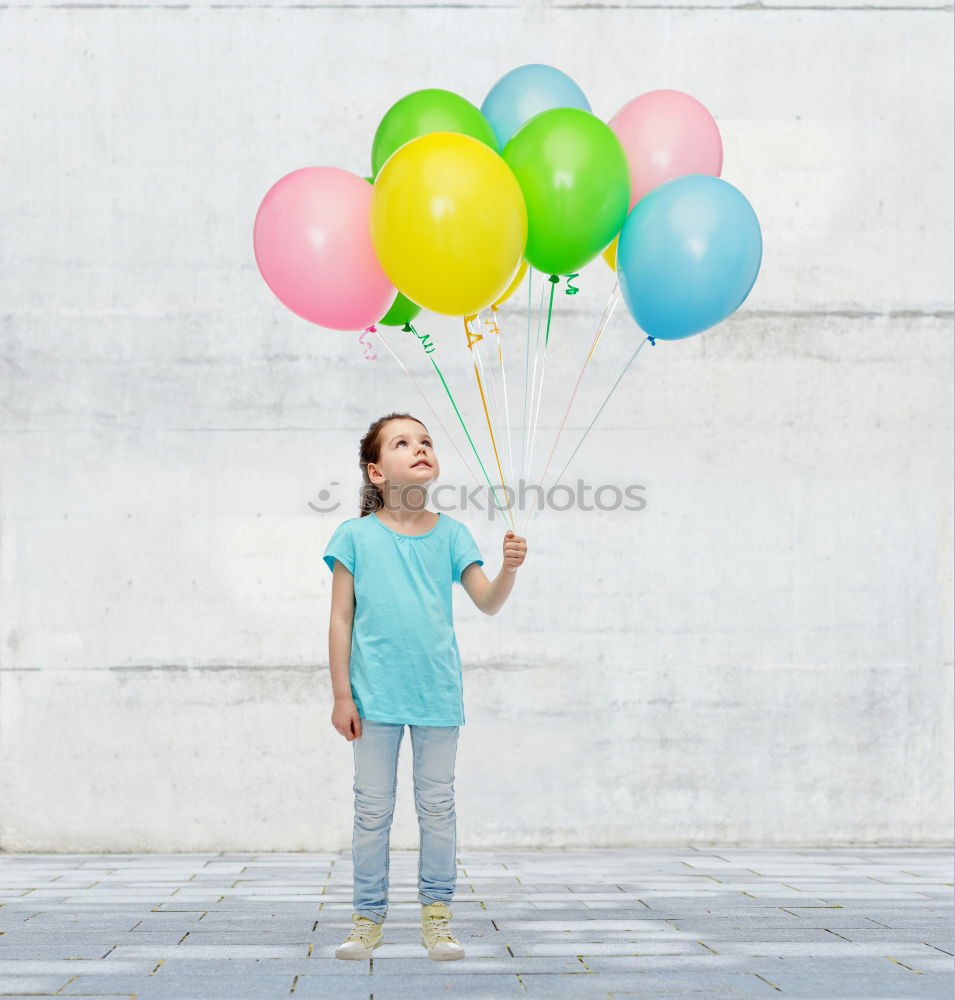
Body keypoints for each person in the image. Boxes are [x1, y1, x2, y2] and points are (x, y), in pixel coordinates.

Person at [323, 411, 527, 961]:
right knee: (372, 809)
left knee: (437, 807)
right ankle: (367, 917)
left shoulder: (453, 535)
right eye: (402, 442)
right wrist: (343, 695)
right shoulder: (354, 536)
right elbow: (341, 618)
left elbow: (486, 601)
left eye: (426, 441)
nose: (419, 448)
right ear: (376, 471)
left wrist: (507, 569)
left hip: (436, 696)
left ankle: (437, 916)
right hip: (373, 699)